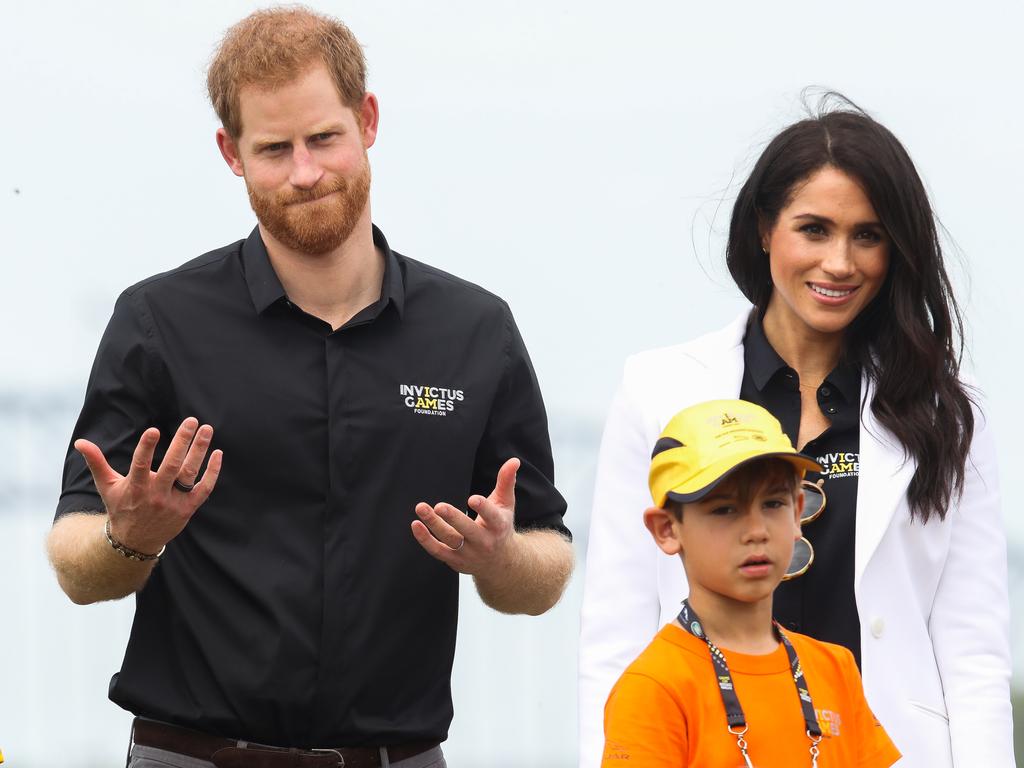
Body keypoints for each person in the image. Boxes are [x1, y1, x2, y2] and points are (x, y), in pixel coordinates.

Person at [46, 8, 573, 767]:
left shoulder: (476, 330)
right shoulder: (158, 320)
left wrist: (499, 561)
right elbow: (73, 559)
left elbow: (545, 561)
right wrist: (131, 538)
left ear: (368, 120)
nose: (304, 172)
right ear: (230, 153)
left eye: (324, 138)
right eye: (273, 149)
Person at [579, 98, 1013, 768]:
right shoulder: (656, 390)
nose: (840, 263)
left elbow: (972, 650)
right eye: (814, 229)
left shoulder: (947, 407)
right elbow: (616, 635)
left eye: (868, 236)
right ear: (763, 229)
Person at [602, 399, 901, 767]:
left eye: (773, 504)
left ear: (797, 512)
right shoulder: (655, 686)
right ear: (667, 529)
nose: (756, 531)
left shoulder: (834, 668)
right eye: (725, 509)